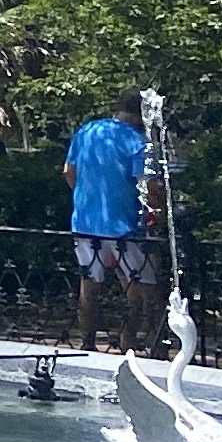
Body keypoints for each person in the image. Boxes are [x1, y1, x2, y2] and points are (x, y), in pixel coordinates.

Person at [67, 90, 155, 352]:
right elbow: (148, 187)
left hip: (85, 223)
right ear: (143, 114)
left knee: (89, 285)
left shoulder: (87, 131)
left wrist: (88, 198)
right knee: (138, 289)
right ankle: (128, 344)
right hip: (125, 227)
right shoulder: (138, 142)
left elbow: (69, 172)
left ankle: (87, 343)